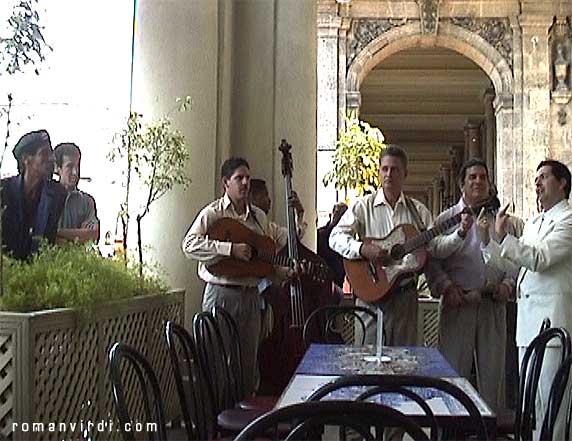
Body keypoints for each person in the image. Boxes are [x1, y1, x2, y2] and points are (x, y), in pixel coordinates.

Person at [329, 145, 463, 347]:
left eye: (395, 169)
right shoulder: (362, 207)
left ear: (405, 174)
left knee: (403, 361)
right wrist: (362, 249)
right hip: (369, 296)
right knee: (367, 361)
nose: (389, 174)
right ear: (379, 171)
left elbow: (436, 247)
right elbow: (335, 238)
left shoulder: (418, 212)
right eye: (385, 169)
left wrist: (460, 234)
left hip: (404, 298)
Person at [182, 158, 294, 396]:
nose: (245, 183)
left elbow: (263, 261)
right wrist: (229, 249)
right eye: (239, 178)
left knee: (247, 367)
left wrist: (284, 272)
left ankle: (244, 423)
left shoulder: (259, 218)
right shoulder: (213, 213)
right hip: (221, 295)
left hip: (251, 297)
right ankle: (216, 425)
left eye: (247, 178)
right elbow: (189, 245)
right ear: (226, 183)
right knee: (216, 361)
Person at [478, 159, 572, 440]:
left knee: (553, 403)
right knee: (533, 405)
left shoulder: (567, 220)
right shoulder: (534, 223)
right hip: (528, 325)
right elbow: (517, 267)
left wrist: (505, 237)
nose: (537, 184)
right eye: (536, 179)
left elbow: (540, 259)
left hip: (553, 324)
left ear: (562, 183)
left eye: (544, 177)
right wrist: (488, 242)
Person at [427, 158, 521, 414]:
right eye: (472, 177)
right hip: (459, 305)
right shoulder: (446, 219)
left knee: (493, 379)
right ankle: (451, 430)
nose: (478, 181)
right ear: (461, 184)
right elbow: (431, 261)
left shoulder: (504, 221)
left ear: (490, 184)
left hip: (493, 304)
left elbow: (515, 258)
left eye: (483, 177)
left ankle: (488, 430)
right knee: (454, 376)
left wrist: (509, 284)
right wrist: (446, 287)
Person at [1, 130, 66, 260]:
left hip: (38, 271)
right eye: (44, 153)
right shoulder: (4, 191)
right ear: (26, 159)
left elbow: (48, 240)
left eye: (50, 153)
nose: (51, 159)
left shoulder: (57, 194)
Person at [53, 143, 99, 243]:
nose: (75, 172)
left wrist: (55, 233)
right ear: (58, 169)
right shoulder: (47, 198)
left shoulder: (87, 202)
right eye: (69, 166)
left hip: (77, 258)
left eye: (77, 166)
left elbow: (92, 235)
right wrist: (77, 234)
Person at [317, 202, 348, 289]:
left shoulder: (347, 240)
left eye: (343, 215)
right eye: (338, 213)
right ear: (331, 215)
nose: (339, 218)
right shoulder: (319, 235)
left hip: (337, 284)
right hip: (321, 282)